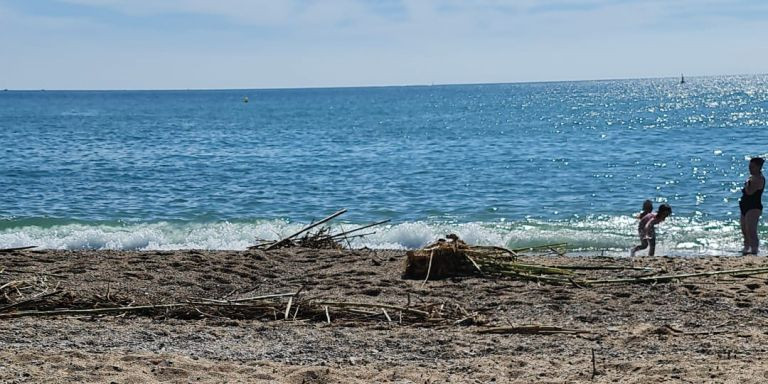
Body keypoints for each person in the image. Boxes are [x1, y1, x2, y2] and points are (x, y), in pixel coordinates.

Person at [739, 157, 765, 255]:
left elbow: (749, 192)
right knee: (744, 229)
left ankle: (754, 250)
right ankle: (746, 248)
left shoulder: (759, 179)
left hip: (754, 207)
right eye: (749, 166)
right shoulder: (751, 177)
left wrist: (747, 184)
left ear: (758, 167)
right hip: (744, 205)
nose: (750, 169)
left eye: (752, 167)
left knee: (751, 230)